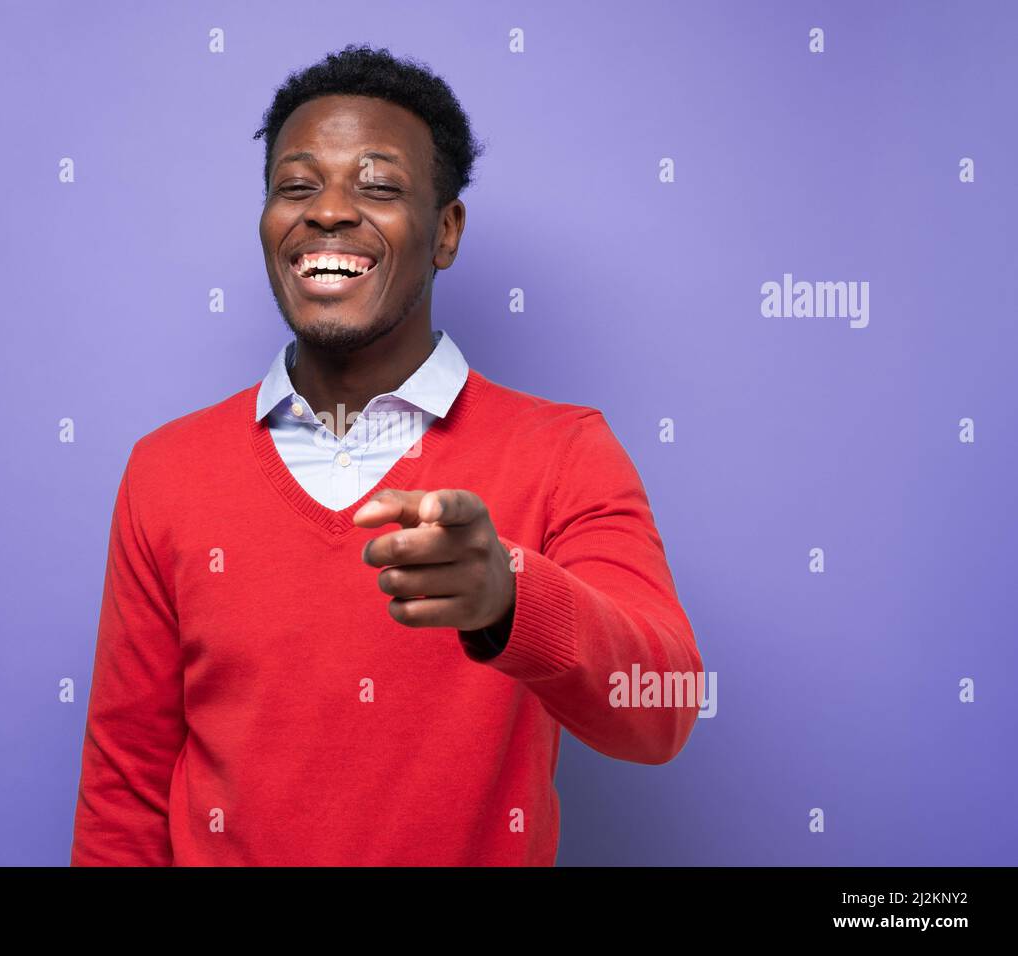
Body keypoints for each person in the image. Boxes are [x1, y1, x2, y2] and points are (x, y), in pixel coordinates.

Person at [70, 43, 701, 866]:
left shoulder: (565, 452)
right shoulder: (166, 469)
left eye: (378, 186)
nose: (328, 211)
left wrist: (510, 598)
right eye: (296, 186)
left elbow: (664, 707)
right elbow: (126, 789)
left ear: (445, 231)